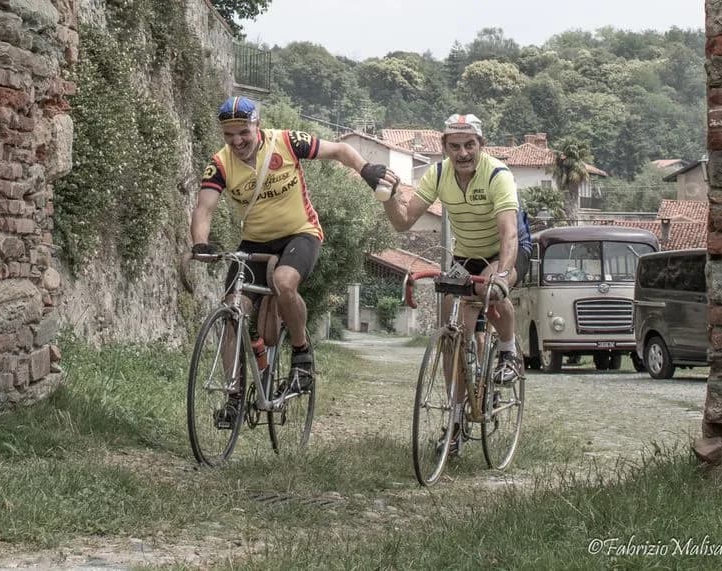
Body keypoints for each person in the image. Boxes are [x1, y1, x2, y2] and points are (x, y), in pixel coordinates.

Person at [190, 96, 397, 426]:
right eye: (229, 136)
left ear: (257, 125)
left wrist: (367, 169)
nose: (237, 141)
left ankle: (301, 356)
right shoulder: (220, 164)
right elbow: (204, 209)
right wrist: (200, 243)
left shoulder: (286, 142)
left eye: (243, 132)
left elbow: (340, 151)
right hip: (254, 242)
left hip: (300, 233)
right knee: (232, 309)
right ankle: (233, 396)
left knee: (285, 282)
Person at [379, 113, 532, 453]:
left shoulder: (497, 175)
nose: (462, 153)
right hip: (465, 255)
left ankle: (508, 350)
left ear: (481, 145)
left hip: (507, 249)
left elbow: (508, 234)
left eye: (469, 146)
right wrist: (389, 197)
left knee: (489, 289)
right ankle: (457, 418)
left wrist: (503, 274)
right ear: (443, 146)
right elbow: (403, 222)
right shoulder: (438, 174)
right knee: (453, 328)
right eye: (454, 146)